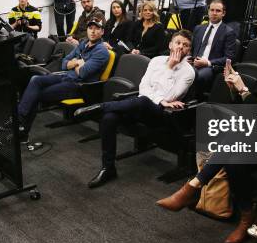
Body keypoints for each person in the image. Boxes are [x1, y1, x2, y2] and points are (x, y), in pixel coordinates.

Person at [156, 34, 257, 243]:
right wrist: (234, 91)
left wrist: (243, 89)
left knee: (235, 138)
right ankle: (244, 216)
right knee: (233, 153)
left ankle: (194, 186)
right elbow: (248, 114)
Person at [75, 30, 195, 188]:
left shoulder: (188, 72)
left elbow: (170, 96)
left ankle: (99, 107)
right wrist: (160, 99)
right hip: (141, 105)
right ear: (170, 44)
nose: (180, 47)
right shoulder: (156, 60)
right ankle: (108, 168)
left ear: (189, 50)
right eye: (178, 43)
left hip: (163, 115)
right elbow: (143, 87)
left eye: (185, 45)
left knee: (143, 101)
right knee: (109, 118)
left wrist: (170, 68)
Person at [0, 18, 110, 143]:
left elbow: (84, 73)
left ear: (102, 32)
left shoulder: (101, 51)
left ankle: (20, 128)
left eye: (97, 29)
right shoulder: (83, 43)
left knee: (36, 94)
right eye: (91, 28)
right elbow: (64, 62)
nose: (93, 31)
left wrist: (73, 63)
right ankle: (20, 121)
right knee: (35, 80)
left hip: (79, 86)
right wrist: (79, 62)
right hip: (65, 75)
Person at [189, 0, 237, 95]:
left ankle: (191, 101)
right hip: (194, 63)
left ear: (223, 13)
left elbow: (229, 58)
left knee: (194, 75)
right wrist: (187, 58)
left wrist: (207, 63)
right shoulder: (198, 28)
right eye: (212, 10)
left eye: (218, 11)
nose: (214, 13)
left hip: (211, 67)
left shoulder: (228, 32)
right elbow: (191, 49)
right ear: (208, 11)